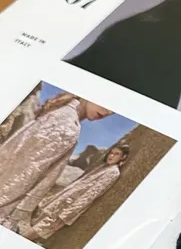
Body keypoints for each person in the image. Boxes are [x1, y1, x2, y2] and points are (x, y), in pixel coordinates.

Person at [0, 93, 112, 234]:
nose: (108, 112)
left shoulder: (65, 116)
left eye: (114, 111)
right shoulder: (66, 124)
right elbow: (27, 170)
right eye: (108, 103)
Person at [22, 144, 129, 242]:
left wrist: (66, 214)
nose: (111, 156)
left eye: (117, 154)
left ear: (123, 157)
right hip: (64, 200)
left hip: (68, 206)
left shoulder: (113, 172)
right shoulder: (103, 167)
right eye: (111, 153)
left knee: (43, 227)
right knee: (39, 222)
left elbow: (91, 194)